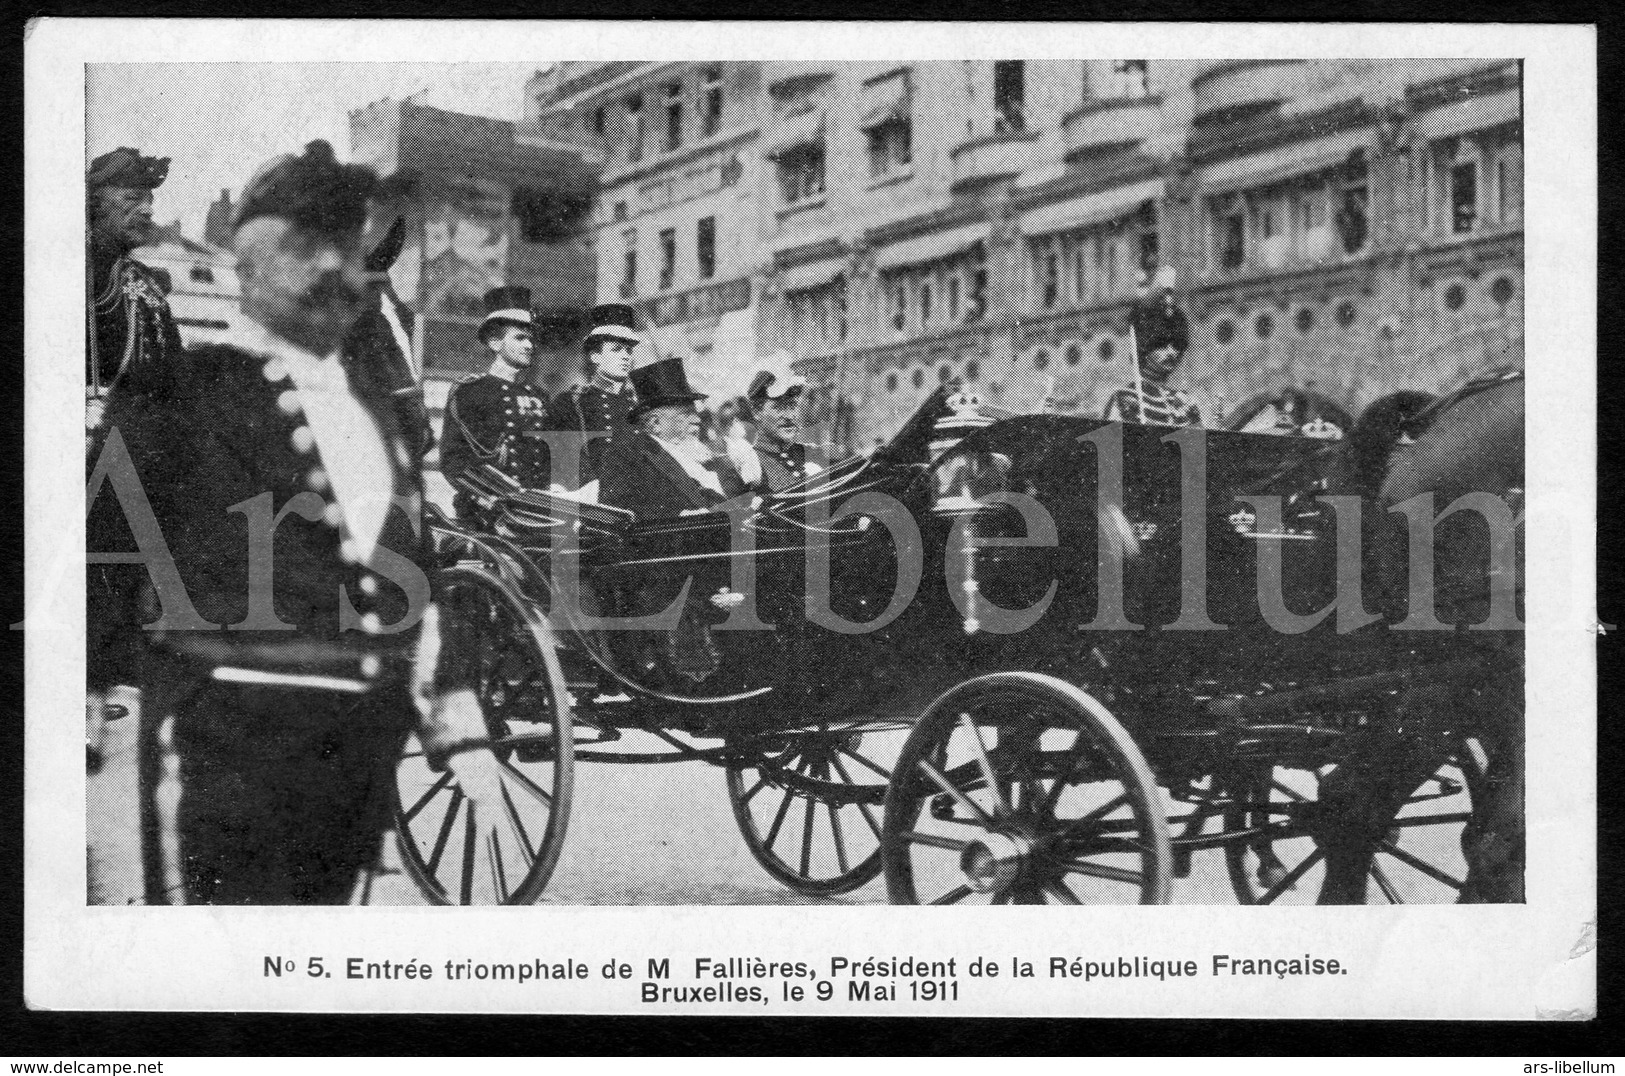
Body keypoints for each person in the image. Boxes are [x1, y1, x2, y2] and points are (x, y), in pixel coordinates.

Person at [86, 140, 497, 904]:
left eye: (343, 249)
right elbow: (102, 553)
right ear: (245, 267)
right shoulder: (177, 391)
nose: (329, 269)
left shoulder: (376, 410)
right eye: (302, 249)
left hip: (356, 762)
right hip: (224, 757)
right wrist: (91, 702)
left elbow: (413, 570)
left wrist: (456, 721)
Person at [86, 146, 182, 428]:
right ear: (96, 204)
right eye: (133, 198)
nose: (149, 210)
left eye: (150, 200)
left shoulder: (141, 277)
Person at [438, 286, 552, 516]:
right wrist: (490, 500)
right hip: (486, 514)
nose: (529, 346)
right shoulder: (471, 391)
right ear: (494, 343)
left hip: (535, 511)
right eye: (520, 338)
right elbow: (454, 461)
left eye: (531, 339)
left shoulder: (539, 395)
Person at [599, 356, 752, 518]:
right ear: (656, 423)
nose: (697, 419)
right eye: (687, 414)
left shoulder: (704, 451)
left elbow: (741, 496)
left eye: (695, 412)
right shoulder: (625, 457)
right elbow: (619, 514)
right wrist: (679, 516)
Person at [545, 303, 642, 488]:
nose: (625, 357)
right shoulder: (573, 402)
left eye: (628, 350)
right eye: (616, 349)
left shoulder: (638, 403)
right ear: (595, 356)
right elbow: (567, 458)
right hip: (596, 498)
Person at [1102, 267, 1202, 428]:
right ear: (1145, 348)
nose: (1171, 353)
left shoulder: (1184, 402)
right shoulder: (1125, 398)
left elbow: (1199, 449)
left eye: (1176, 346)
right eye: (1162, 345)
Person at [737, 352, 833, 492]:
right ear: (757, 412)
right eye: (779, 407)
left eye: (792, 405)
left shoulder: (813, 453)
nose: (789, 416)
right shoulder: (751, 463)